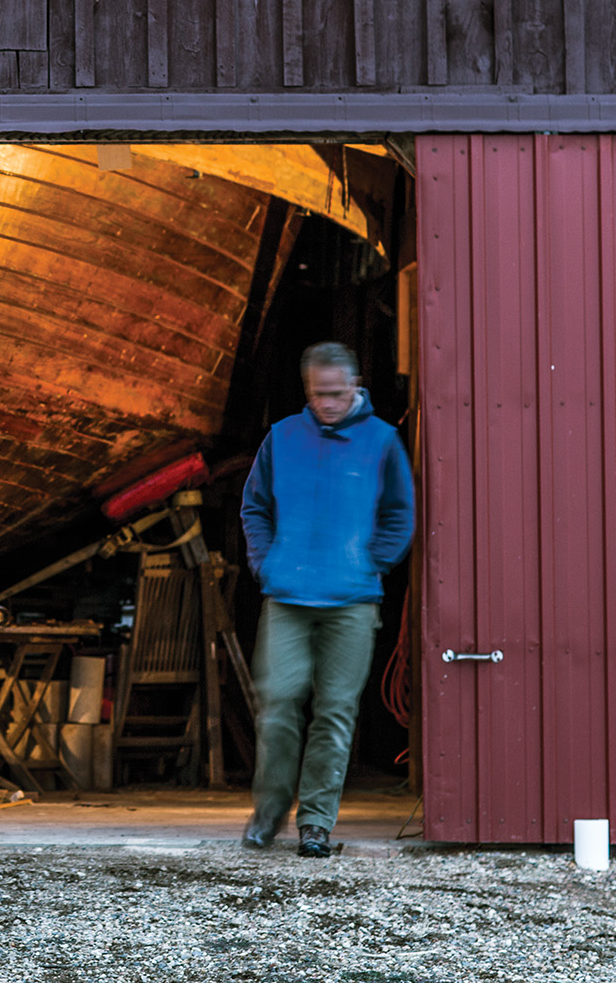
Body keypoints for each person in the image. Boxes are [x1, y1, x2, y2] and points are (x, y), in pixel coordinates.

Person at [237, 341, 414, 857]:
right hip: (288, 598)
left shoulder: (382, 441)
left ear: (356, 387)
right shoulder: (281, 437)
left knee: (334, 712)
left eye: (337, 394)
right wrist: (264, 562)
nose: (328, 404)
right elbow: (255, 507)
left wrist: (369, 562)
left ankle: (315, 822)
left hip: (352, 602)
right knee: (276, 706)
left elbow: (400, 514)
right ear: (307, 391)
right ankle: (269, 812)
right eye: (318, 395)